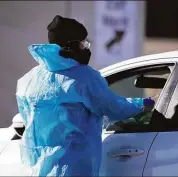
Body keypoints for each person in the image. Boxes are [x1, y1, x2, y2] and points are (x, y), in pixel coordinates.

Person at [16, 15, 155, 176]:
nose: (86, 48)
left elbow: (27, 120)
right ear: (71, 46)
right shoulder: (84, 77)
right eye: (83, 44)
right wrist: (142, 104)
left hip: (37, 169)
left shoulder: (28, 79)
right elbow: (112, 107)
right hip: (73, 168)